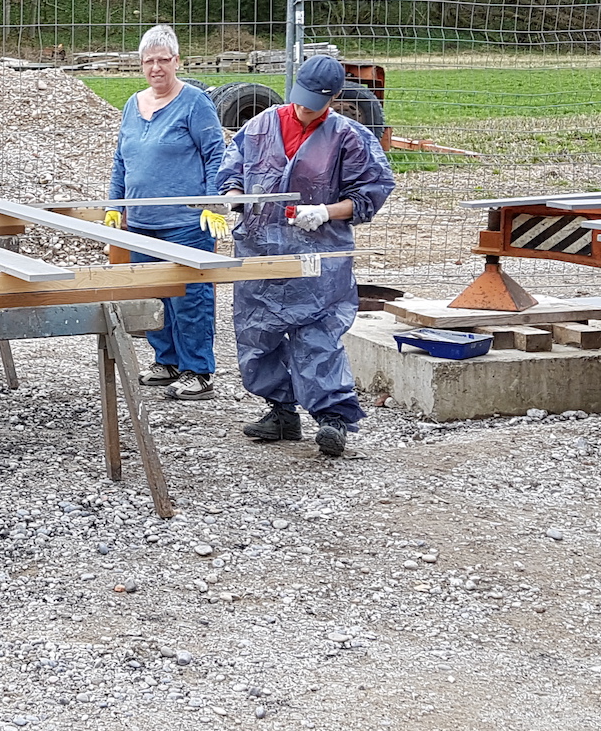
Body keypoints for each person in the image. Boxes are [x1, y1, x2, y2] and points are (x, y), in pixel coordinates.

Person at [215, 55, 396, 458]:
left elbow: (373, 191)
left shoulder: (348, 137)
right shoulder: (259, 126)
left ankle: (332, 418)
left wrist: (326, 212)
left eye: (315, 101)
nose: (304, 108)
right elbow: (232, 170)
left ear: (332, 97)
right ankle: (281, 411)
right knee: (256, 330)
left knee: (318, 333)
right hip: (258, 248)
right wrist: (233, 199)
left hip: (319, 253)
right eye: (300, 98)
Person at [106, 25, 232, 401]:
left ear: (177, 61)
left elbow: (215, 154)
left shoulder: (194, 103)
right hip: (142, 223)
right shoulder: (133, 104)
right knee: (155, 295)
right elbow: (121, 160)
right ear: (140, 65)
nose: (156, 67)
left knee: (190, 297)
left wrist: (213, 204)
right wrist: (116, 206)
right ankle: (167, 360)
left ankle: (198, 370)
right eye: (149, 61)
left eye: (164, 60)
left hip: (185, 223)